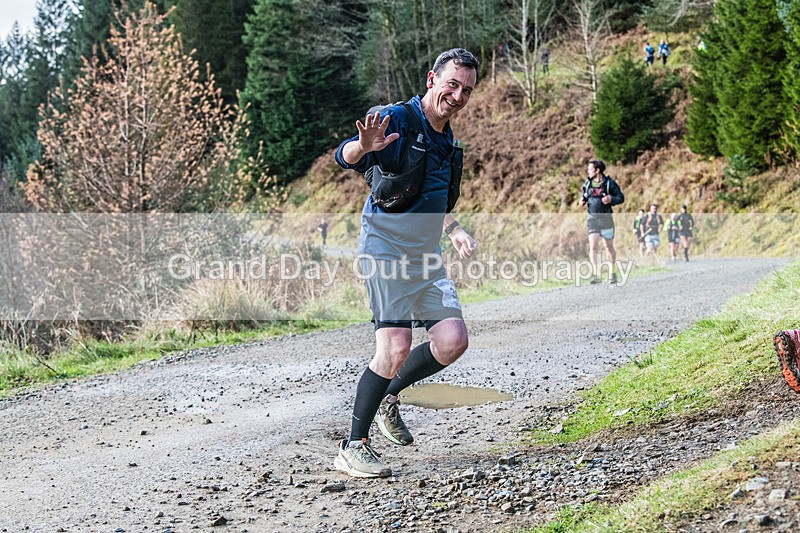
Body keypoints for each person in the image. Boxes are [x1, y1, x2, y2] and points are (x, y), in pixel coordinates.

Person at [333, 48, 479, 478]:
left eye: (466, 90)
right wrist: (362, 146)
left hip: (425, 256)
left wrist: (453, 229)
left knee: (452, 340)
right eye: (452, 84)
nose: (457, 95)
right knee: (394, 347)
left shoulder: (448, 141)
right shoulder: (396, 119)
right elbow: (344, 156)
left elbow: (432, 197)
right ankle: (352, 446)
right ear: (432, 78)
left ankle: (389, 397)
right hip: (385, 251)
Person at [579, 159, 624, 284]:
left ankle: (612, 273)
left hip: (606, 220)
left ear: (597, 170)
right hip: (592, 219)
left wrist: (611, 199)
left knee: (608, 247)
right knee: (593, 246)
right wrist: (581, 201)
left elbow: (621, 198)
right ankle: (596, 275)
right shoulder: (587, 184)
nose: (588, 171)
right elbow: (583, 195)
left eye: (590, 169)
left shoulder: (610, 183)